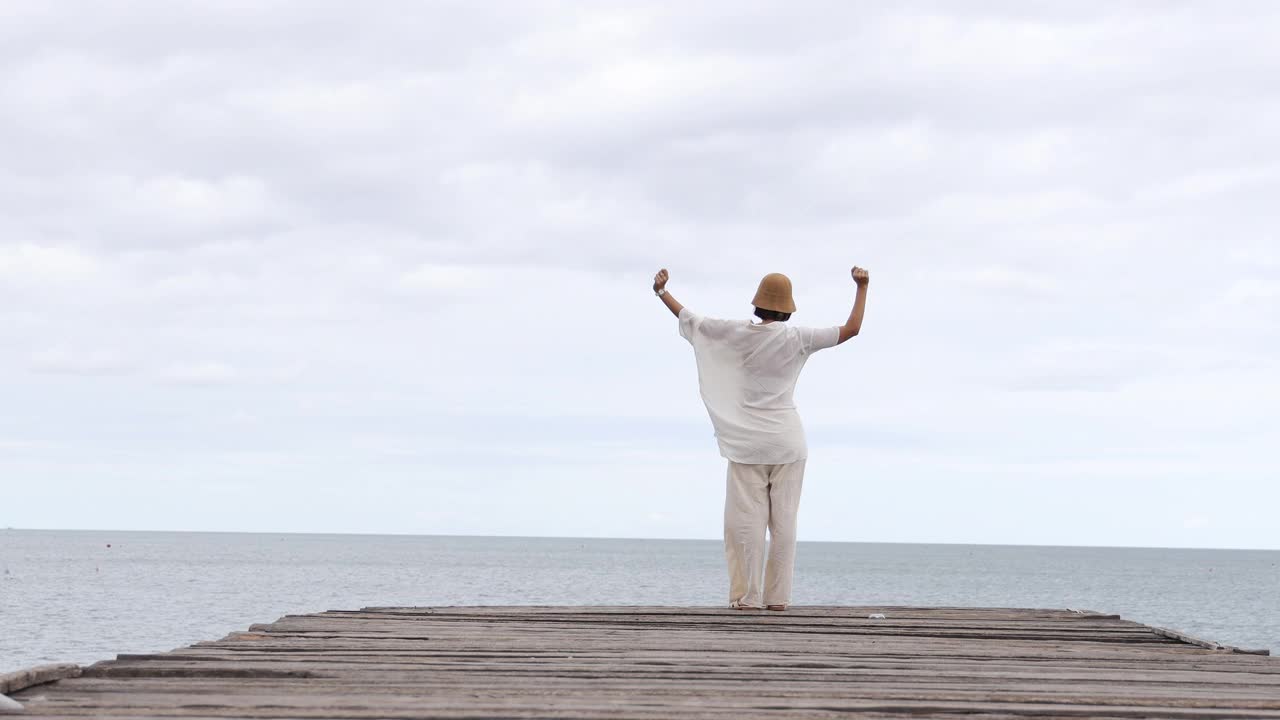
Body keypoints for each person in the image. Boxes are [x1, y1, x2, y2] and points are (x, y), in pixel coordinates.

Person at [653, 266, 870, 611]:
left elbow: (691, 320)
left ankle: (748, 597)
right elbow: (852, 329)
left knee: (746, 524)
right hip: (788, 442)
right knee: (784, 524)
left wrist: (662, 292)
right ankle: (778, 599)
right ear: (787, 307)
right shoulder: (799, 338)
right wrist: (862, 286)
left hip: (746, 444)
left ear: (758, 303)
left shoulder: (737, 333)